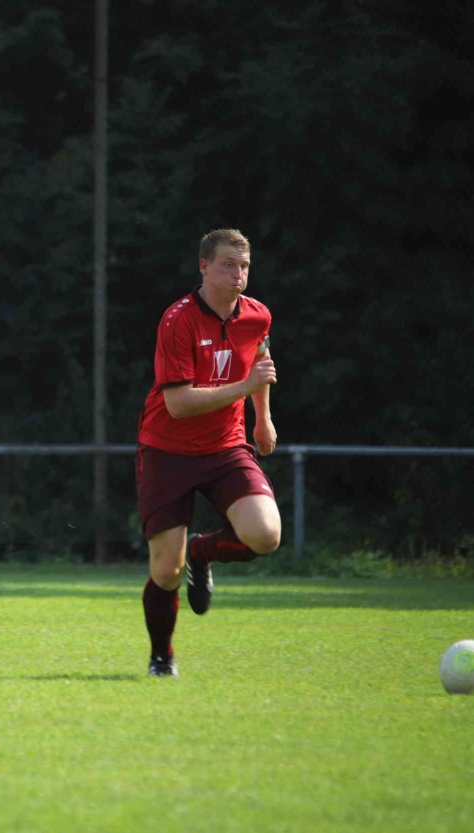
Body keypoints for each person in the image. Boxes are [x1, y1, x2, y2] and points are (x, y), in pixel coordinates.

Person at [135, 228, 281, 677]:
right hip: (167, 451)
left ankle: (201, 551)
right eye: (228, 265)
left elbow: (261, 362)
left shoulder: (257, 315)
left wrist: (262, 418)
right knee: (166, 572)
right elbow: (178, 405)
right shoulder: (177, 319)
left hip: (225, 447)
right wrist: (244, 388)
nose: (238, 274)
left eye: (244, 266)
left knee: (265, 535)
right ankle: (162, 657)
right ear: (204, 267)